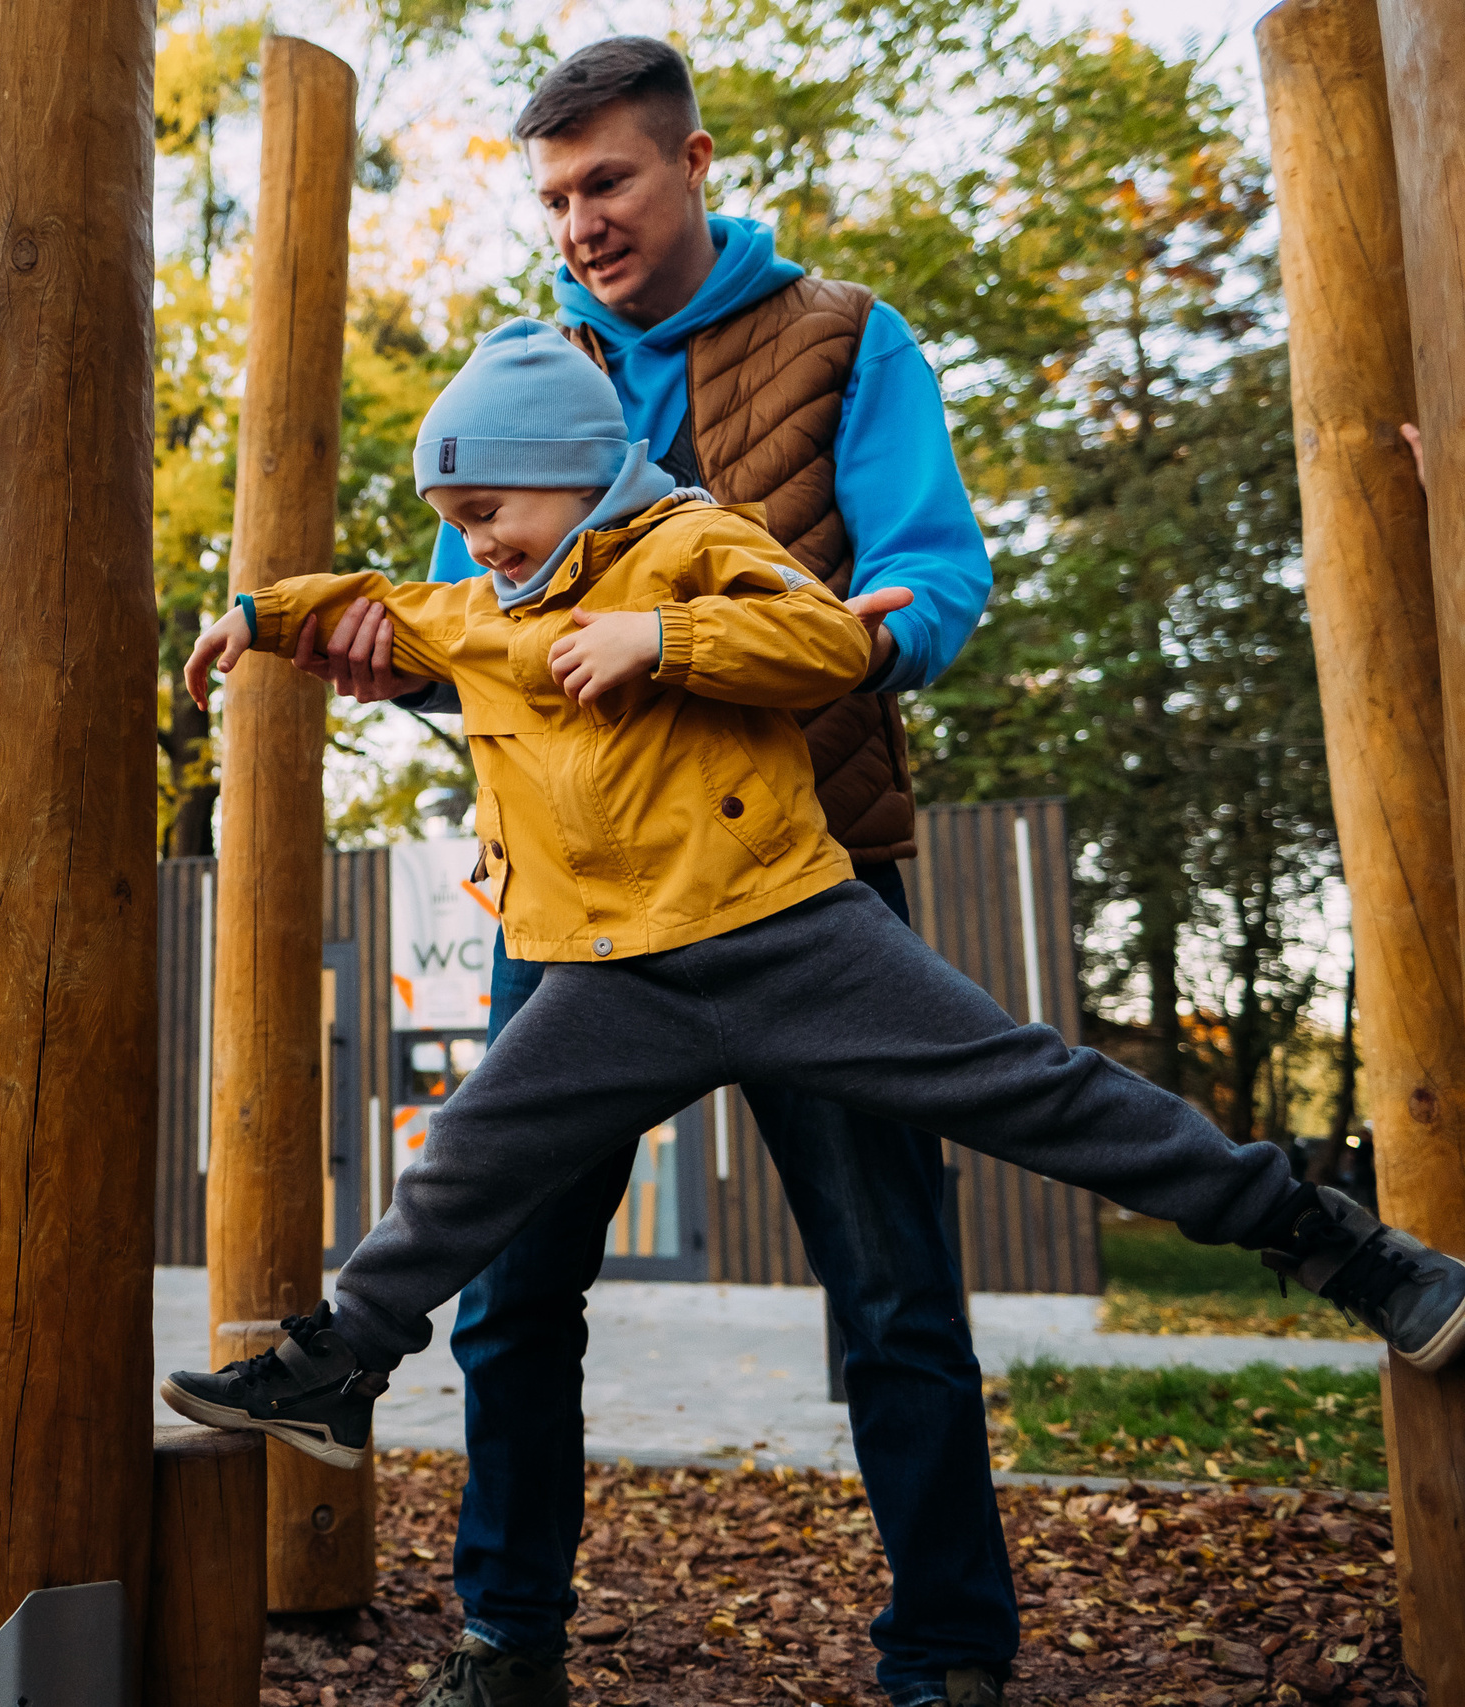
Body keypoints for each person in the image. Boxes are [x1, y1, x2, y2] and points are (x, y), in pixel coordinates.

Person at [161, 319, 1465, 1707]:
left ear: (574, 471)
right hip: (608, 968)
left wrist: (660, 637)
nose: (467, 542)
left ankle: (1337, 1245)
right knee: (463, 1175)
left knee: (1042, 1089)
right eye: (452, 517)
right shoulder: (485, 609)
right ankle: (340, 1360)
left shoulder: (690, 540)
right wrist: (257, 617)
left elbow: (821, 637)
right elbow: (367, 600)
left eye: (484, 510)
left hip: (795, 932)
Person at [288, 38, 1009, 1707]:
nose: (578, 223)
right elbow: (498, 635)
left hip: (803, 888)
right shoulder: (524, 375)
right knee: (512, 1289)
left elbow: (928, 582)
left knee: (895, 1291)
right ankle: (505, 1641)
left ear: (694, 160)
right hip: (579, 908)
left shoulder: (848, 339)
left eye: (605, 182)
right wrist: (399, 662)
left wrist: (749, 650)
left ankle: (952, 1657)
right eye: (550, 197)